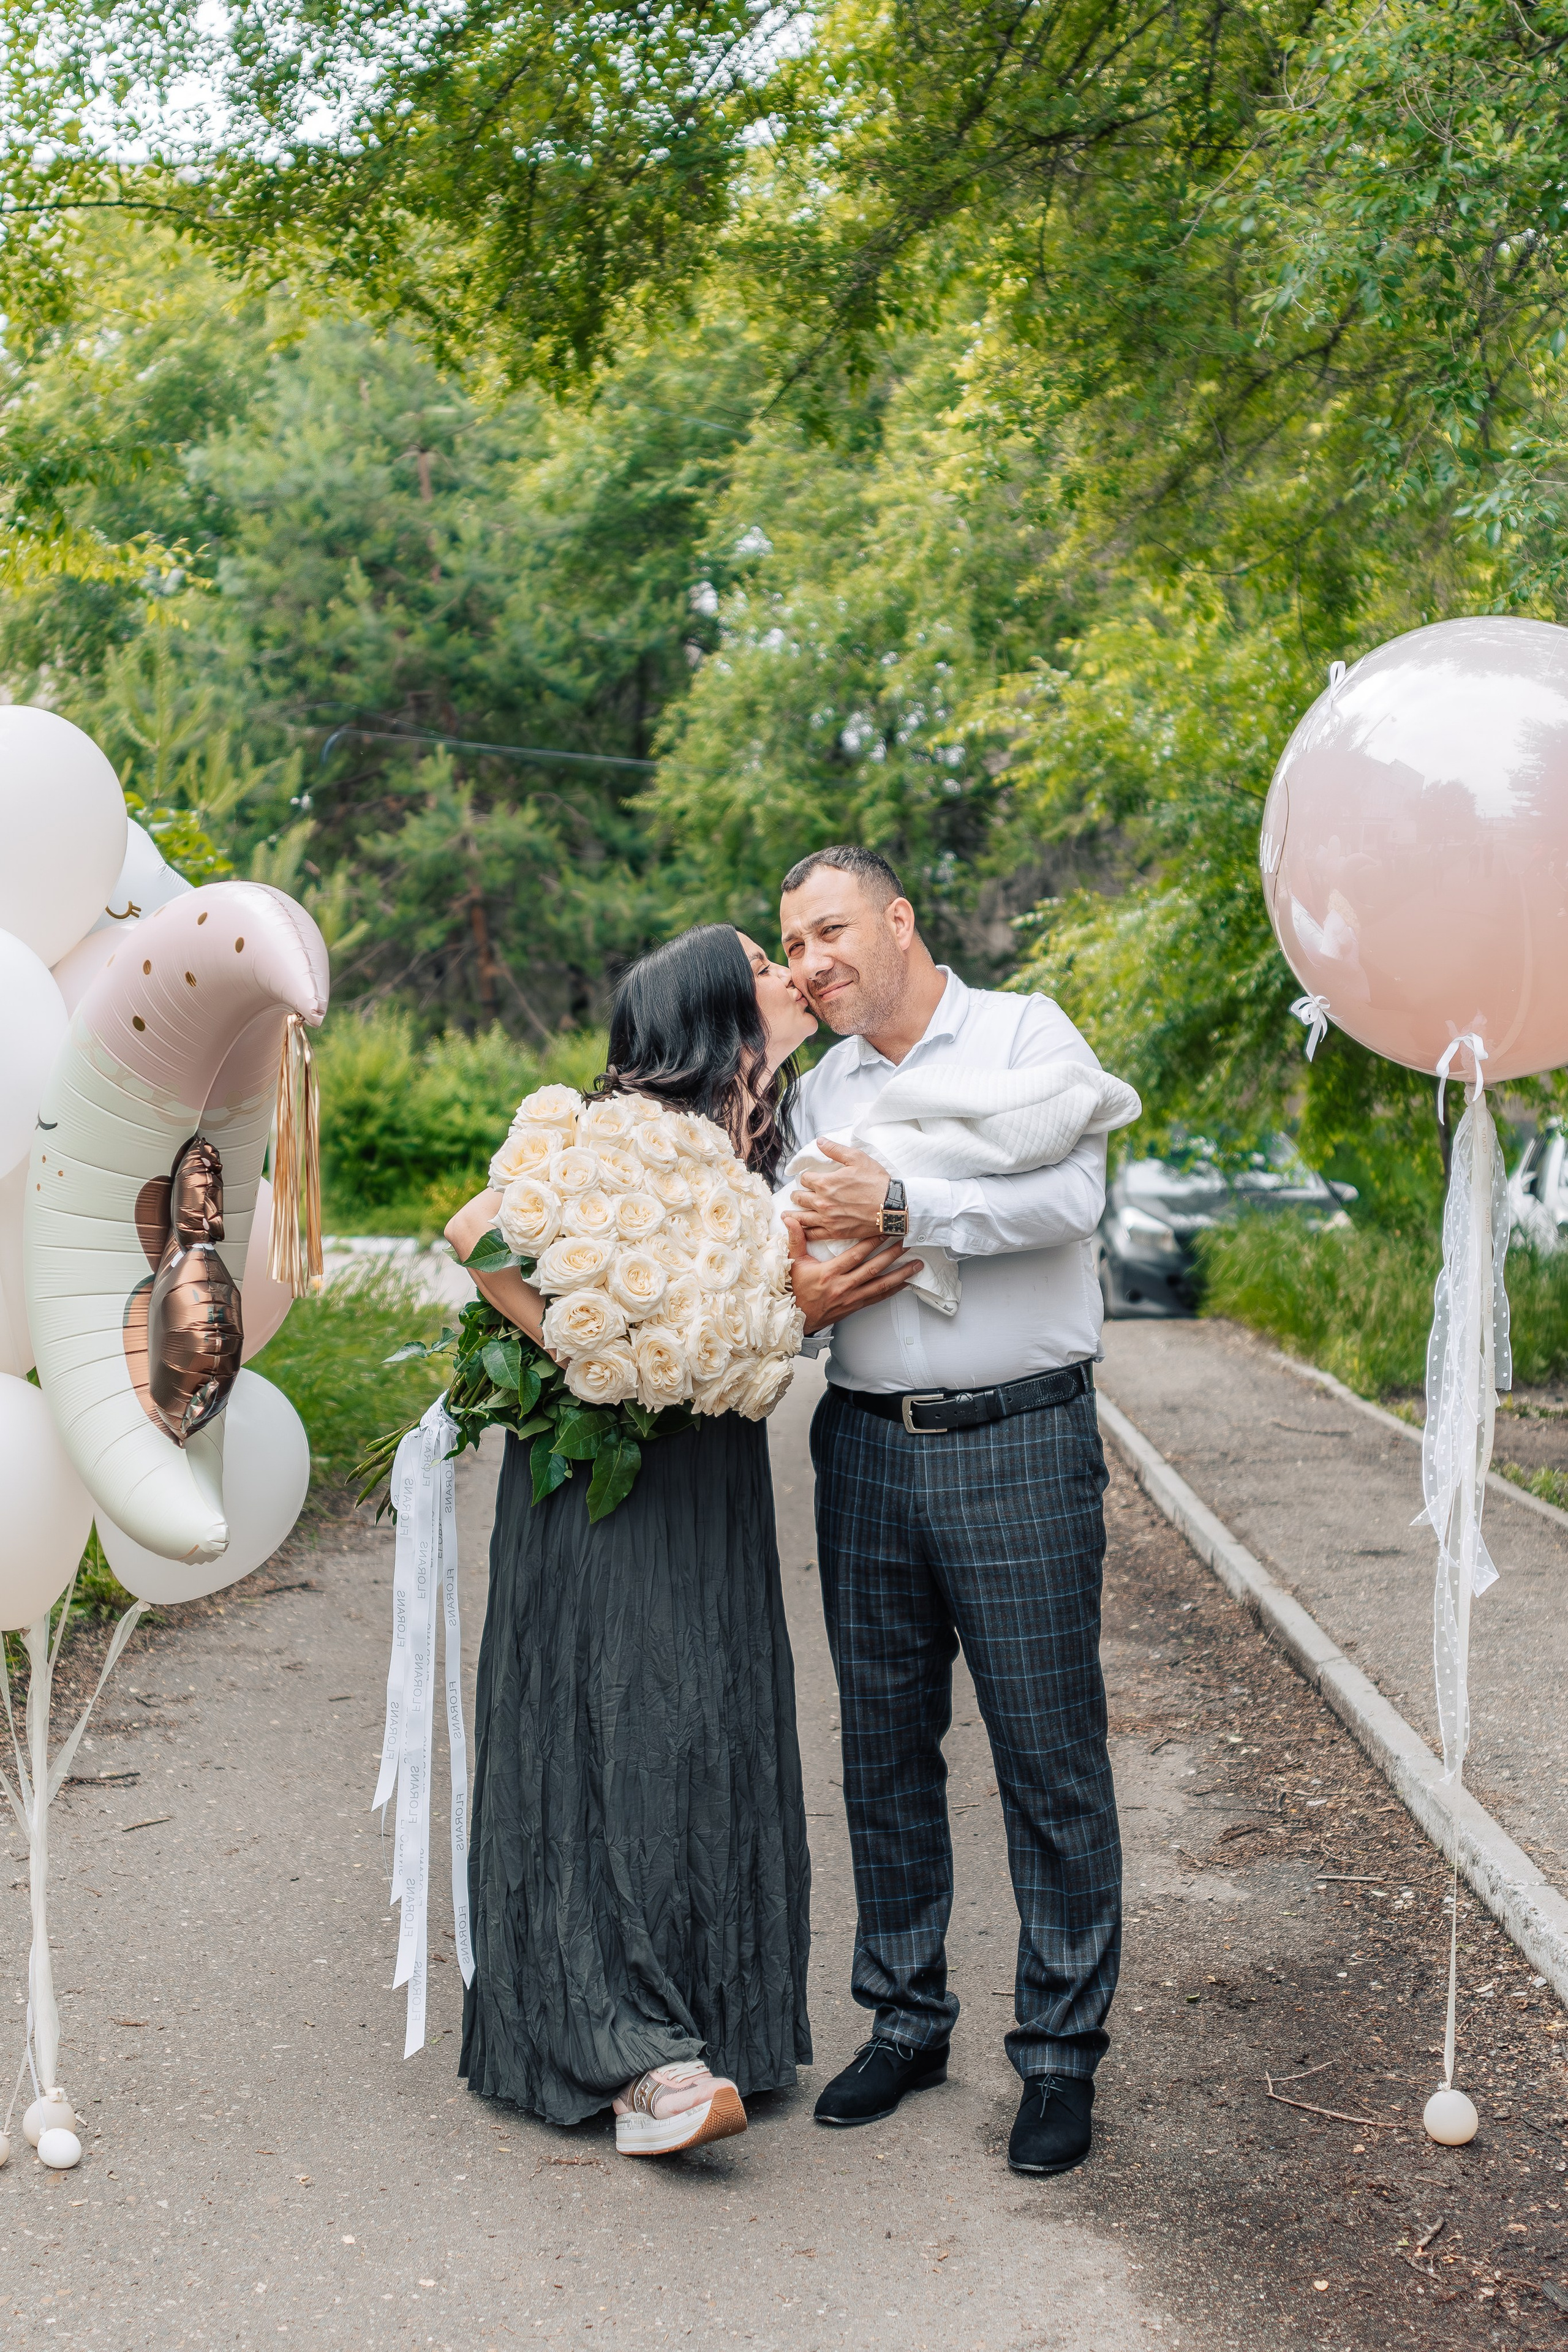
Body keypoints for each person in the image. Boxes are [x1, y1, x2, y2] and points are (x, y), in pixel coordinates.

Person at [448, 923, 916, 2158]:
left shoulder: (751, 1142)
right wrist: (593, 1348)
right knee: (624, 1718)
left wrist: (773, 1317)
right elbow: (474, 1232)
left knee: (713, 1711)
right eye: (762, 964)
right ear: (710, 1011)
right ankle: (630, 2050)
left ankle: (716, 2022)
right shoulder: (619, 1129)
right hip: (611, 1481)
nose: (788, 973)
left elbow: (757, 1305)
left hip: (708, 1466)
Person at [778, 846, 1121, 2178]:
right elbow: (803, 1250)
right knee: (881, 1750)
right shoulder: (824, 1090)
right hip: (865, 1446)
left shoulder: (1024, 1034)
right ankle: (906, 2020)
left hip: (1020, 1440)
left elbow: (1072, 1198)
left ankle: (1058, 2055)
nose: (812, 963)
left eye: (830, 931)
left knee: (1048, 1757)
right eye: (793, 947)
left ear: (899, 918)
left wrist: (903, 1202)